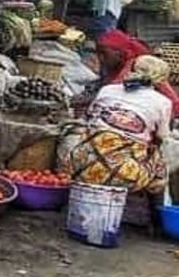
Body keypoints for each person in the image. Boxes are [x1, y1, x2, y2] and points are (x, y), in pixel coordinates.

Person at [57, 55, 173, 194]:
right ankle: (152, 209)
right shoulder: (163, 102)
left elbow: (90, 118)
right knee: (158, 153)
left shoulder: (108, 90)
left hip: (77, 168)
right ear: (160, 79)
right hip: (124, 177)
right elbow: (162, 136)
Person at [76, 30, 179, 118]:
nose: (101, 58)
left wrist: (85, 101)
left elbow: (114, 89)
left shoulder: (136, 65)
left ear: (119, 53)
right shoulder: (115, 66)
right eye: (98, 53)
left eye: (104, 53)